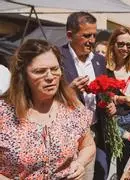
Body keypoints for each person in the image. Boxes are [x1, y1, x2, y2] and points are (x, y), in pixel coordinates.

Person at [0, 39, 95, 179]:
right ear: (23, 75)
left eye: (54, 69)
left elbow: (88, 146)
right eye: (40, 71)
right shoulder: (4, 113)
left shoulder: (73, 108)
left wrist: (80, 163)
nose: (50, 77)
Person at [59, 11, 116, 180]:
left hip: (97, 128)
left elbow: (104, 92)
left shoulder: (99, 60)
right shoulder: (57, 58)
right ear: (70, 35)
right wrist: (71, 90)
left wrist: (109, 103)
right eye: (86, 35)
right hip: (70, 135)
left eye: (94, 35)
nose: (92, 40)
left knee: (102, 173)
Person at [105, 26, 130, 179]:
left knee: (125, 170)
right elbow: (100, 96)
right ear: (113, 44)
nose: (125, 48)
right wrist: (121, 99)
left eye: (128, 45)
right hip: (109, 123)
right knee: (104, 168)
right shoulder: (103, 68)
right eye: (120, 44)